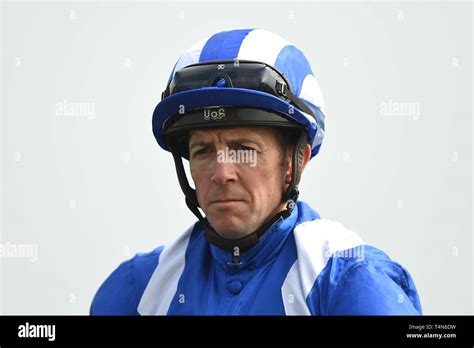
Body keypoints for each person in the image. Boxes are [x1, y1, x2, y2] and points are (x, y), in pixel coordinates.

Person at [90, 28, 422, 315]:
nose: (222, 173)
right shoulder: (136, 291)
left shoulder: (351, 282)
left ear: (296, 162)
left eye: (244, 150)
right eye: (203, 151)